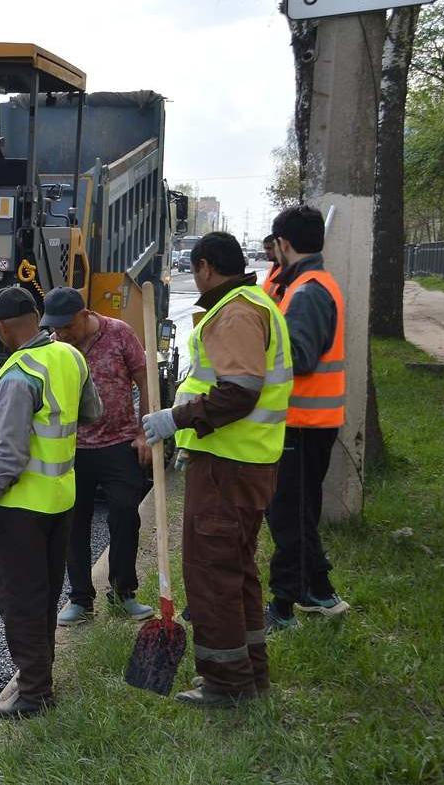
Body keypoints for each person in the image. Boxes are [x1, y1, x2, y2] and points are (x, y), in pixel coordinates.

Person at [141, 232, 293, 707]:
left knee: (212, 574)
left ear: (205, 266)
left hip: (229, 467)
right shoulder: (252, 304)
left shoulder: (236, 313)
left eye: (195, 268)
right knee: (236, 571)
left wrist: (176, 419)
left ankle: (227, 684)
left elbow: (239, 392)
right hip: (241, 462)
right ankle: (249, 674)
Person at [0, 286, 103, 718]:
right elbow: (93, 413)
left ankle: (34, 694)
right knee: (44, 597)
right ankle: (40, 678)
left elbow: (10, 455)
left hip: (21, 509)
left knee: (20, 602)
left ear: (2, 327)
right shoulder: (70, 357)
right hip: (61, 501)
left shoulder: (17, 375)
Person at [44, 287, 155, 627]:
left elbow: (145, 380)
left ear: (85, 314)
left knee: (125, 514)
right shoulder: (56, 345)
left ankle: (123, 594)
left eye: (67, 326)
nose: (61, 333)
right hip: (72, 448)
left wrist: (144, 432)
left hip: (119, 443)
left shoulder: (119, 334)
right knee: (73, 523)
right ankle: (81, 599)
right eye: (56, 327)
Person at [264, 205, 350, 632]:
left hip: (303, 423)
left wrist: (258, 349)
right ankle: (319, 590)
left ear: (283, 243)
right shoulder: (303, 284)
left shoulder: (309, 292)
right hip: (308, 421)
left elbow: (299, 357)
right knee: (298, 511)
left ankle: (283, 607)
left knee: (289, 517)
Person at [261, 234, 282, 299]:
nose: (266, 252)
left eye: (269, 248)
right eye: (265, 248)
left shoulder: (286, 272)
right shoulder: (273, 268)